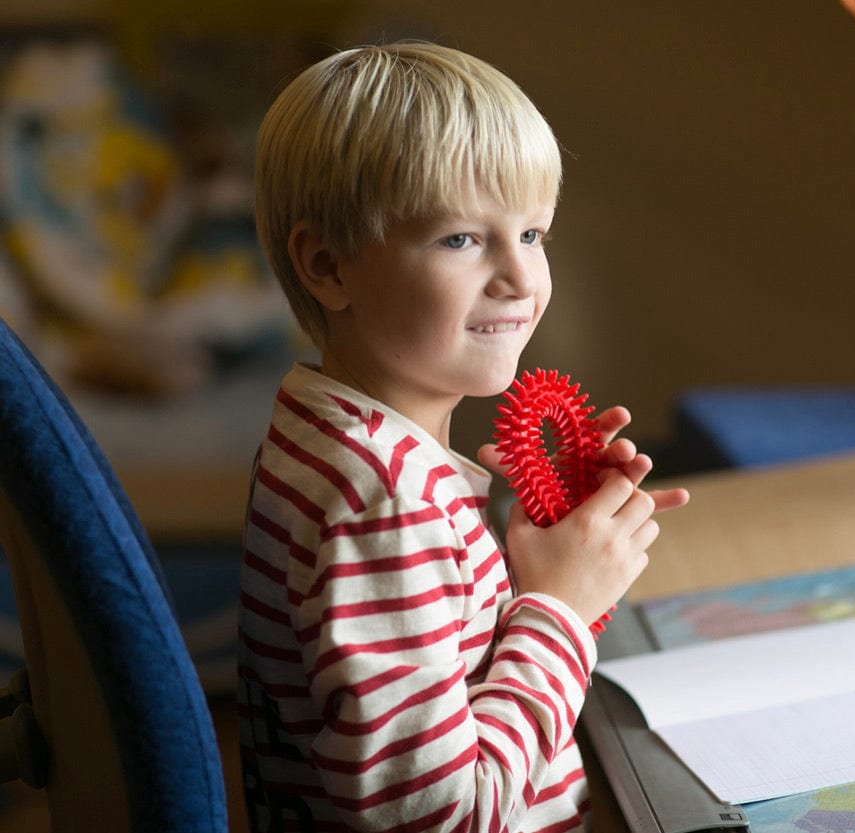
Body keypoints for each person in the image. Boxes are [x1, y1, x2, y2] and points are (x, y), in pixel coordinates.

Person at [238, 42, 689, 833]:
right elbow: (438, 818)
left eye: (532, 234)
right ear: (327, 265)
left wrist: (528, 560)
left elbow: (438, 652)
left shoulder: (329, 434)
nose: (519, 279)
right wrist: (558, 605)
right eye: (460, 240)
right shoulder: (385, 504)